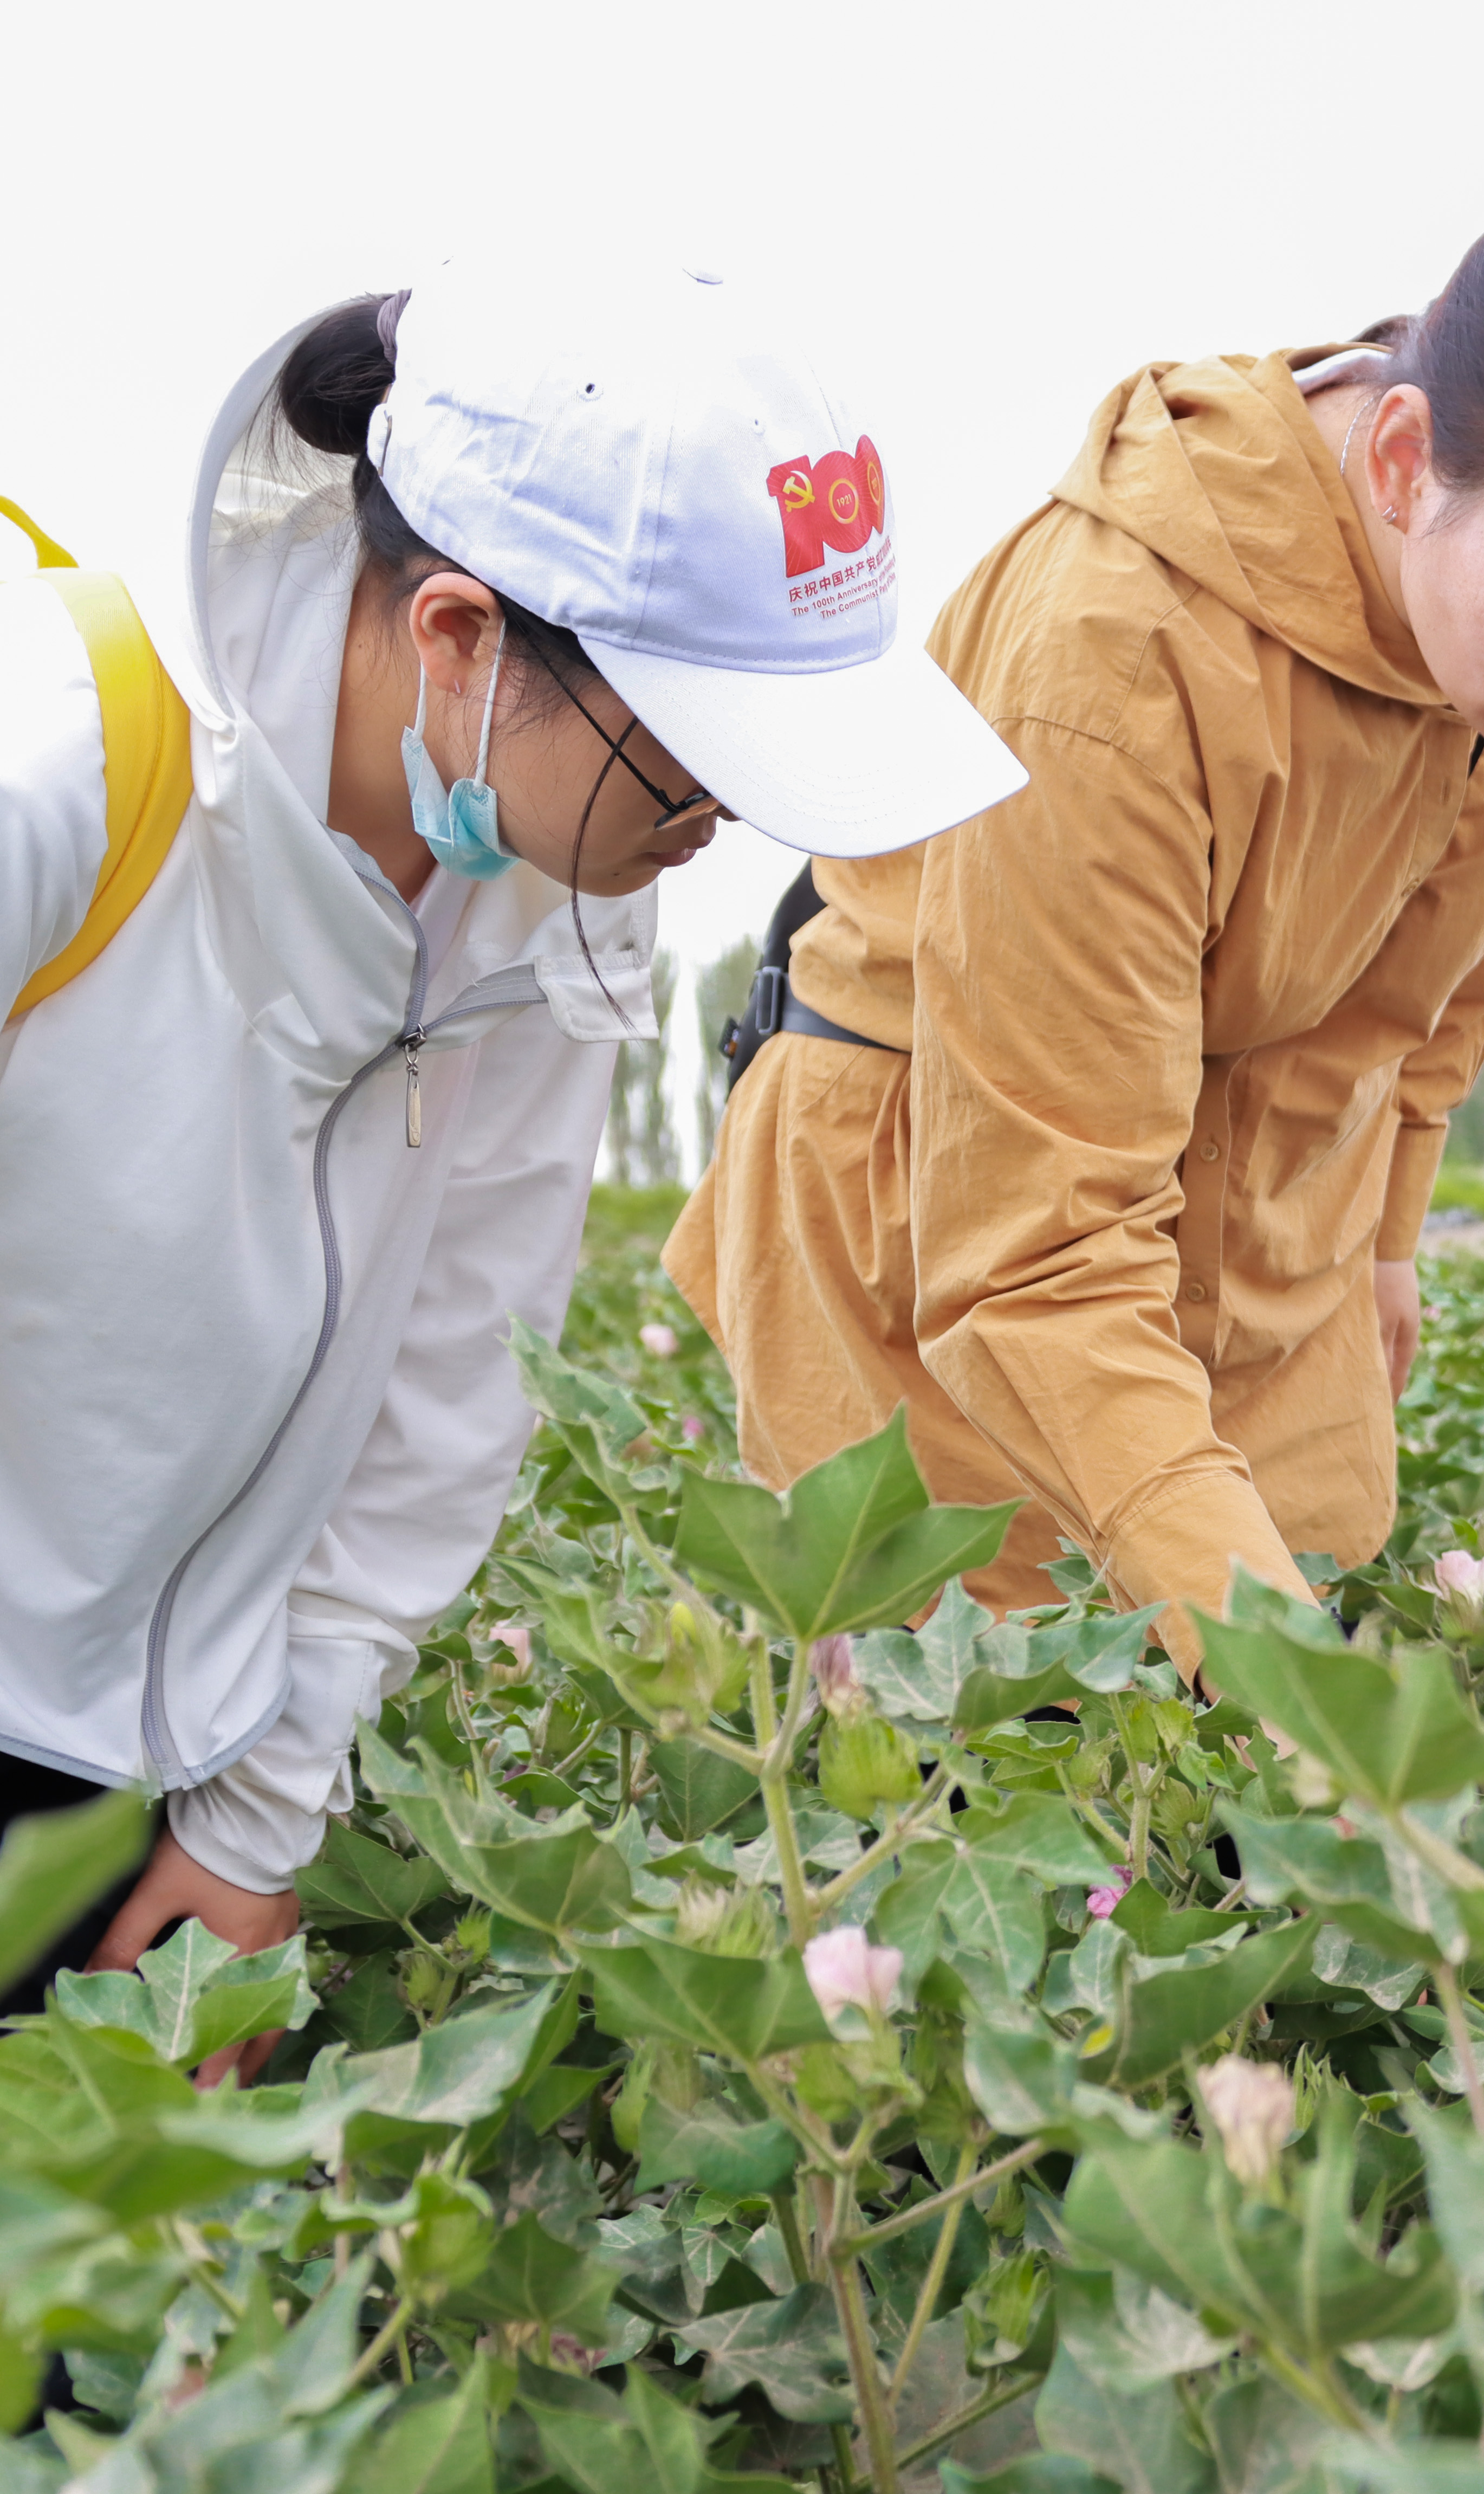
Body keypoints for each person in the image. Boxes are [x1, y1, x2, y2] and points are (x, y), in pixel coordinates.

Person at [0, 260, 1020, 2051]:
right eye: (688, 764)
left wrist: (255, 1826)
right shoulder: (59, 777)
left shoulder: (554, 904)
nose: (712, 834)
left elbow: (451, 1385)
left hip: (165, 1772)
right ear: (463, 638)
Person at [675, 169, 1484, 1639]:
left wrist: (1390, 1234)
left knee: (1290, 1743)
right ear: (1403, 463)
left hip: (1280, 1212)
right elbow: (1037, 1254)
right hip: (955, 1219)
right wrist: (1280, 1679)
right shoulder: (1117, 656)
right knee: (1037, 1746)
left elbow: (1454, 953)